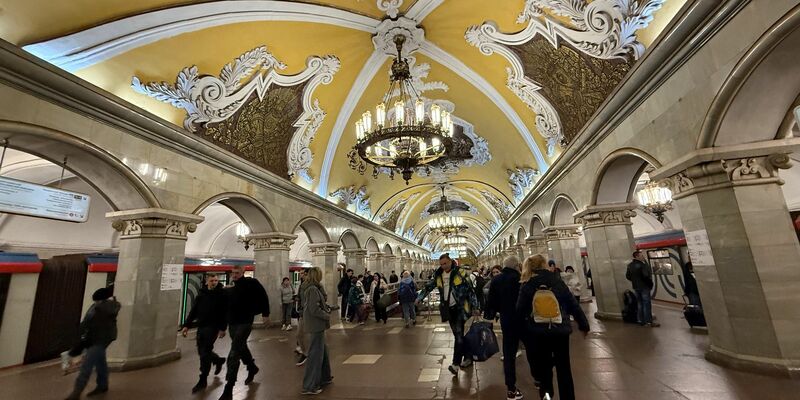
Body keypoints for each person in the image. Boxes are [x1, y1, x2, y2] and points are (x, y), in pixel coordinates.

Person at [517, 255, 590, 400]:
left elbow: (520, 311)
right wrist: (583, 324)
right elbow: (572, 304)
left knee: (544, 370)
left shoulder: (527, 284)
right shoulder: (556, 280)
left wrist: (522, 333)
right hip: (559, 330)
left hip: (538, 332)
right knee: (564, 368)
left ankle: (547, 396)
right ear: (544, 264)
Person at [416, 254, 480, 375]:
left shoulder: (460, 272)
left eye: (445, 263)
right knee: (458, 335)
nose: (443, 266)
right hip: (448, 309)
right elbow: (429, 286)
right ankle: (468, 356)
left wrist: (476, 306)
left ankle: (455, 364)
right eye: (441, 264)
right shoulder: (438, 274)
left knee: (459, 335)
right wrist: (420, 297)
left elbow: (470, 290)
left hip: (460, 308)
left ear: (451, 262)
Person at [219, 266, 270, 400]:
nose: (234, 275)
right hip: (233, 323)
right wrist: (223, 327)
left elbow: (263, 296)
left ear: (242, 273)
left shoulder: (251, 283)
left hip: (245, 322)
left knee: (234, 352)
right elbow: (225, 309)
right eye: (233, 273)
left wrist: (266, 314)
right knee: (241, 347)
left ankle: (228, 388)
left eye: (237, 273)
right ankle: (252, 367)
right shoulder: (230, 290)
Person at [64, 287, 121, 400]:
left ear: (101, 299)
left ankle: (77, 391)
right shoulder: (98, 307)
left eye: (97, 300)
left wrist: (81, 342)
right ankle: (102, 385)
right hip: (97, 338)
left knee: (87, 365)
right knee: (100, 362)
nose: (95, 302)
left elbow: (91, 324)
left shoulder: (105, 307)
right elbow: (86, 323)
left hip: (99, 339)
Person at [181, 273, 228, 393]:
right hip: (201, 326)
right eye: (212, 280)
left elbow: (224, 312)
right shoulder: (201, 294)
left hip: (213, 327)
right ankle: (218, 360)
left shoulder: (221, 295)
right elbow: (194, 310)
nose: (214, 282)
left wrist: (223, 328)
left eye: (216, 280)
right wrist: (187, 325)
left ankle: (203, 379)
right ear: (207, 281)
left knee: (205, 352)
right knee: (201, 350)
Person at [485, 257, 524, 400]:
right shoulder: (521, 278)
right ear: (517, 266)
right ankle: (540, 382)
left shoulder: (496, 280)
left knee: (508, 353)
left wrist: (490, 315)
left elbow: (491, 302)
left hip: (507, 319)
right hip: (524, 319)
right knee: (533, 350)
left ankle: (511, 389)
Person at [301, 267, 333, 395]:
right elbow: (313, 309)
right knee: (315, 354)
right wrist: (326, 315)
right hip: (316, 324)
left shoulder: (312, 287)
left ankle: (325, 377)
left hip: (316, 325)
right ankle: (310, 385)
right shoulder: (313, 289)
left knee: (323, 351)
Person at [626, 251, 660, 327]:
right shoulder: (642, 265)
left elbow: (627, 276)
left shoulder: (630, 265)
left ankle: (641, 320)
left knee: (639, 303)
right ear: (637, 256)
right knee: (646, 304)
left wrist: (635, 281)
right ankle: (648, 321)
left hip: (636, 287)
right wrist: (650, 284)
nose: (643, 257)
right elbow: (646, 275)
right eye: (641, 256)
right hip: (644, 287)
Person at [295, 269, 310, 366]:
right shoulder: (301, 285)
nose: (302, 276)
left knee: (314, 336)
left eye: (304, 274)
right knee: (299, 334)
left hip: (311, 314)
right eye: (301, 274)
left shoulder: (314, 286)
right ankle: (305, 352)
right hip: (303, 313)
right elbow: (300, 298)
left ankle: (308, 353)